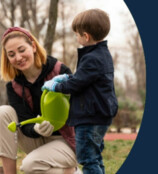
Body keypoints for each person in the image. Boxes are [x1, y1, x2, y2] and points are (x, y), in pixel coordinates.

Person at [0, 27, 81, 174]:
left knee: (30, 166)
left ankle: (72, 171)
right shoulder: (13, 86)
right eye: (11, 54)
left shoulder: (60, 71)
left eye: (22, 50)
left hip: (67, 141)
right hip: (37, 139)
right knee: (2, 112)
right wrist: (35, 128)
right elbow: (24, 121)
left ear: (33, 46)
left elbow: (78, 110)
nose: (18, 57)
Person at [42, 9, 118, 174]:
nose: (76, 38)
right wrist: (66, 78)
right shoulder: (102, 55)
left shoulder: (92, 58)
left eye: (77, 35)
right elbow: (84, 79)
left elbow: (77, 84)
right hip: (100, 115)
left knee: (87, 158)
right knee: (95, 157)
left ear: (86, 36)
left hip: (90, 117)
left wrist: (56, 86)